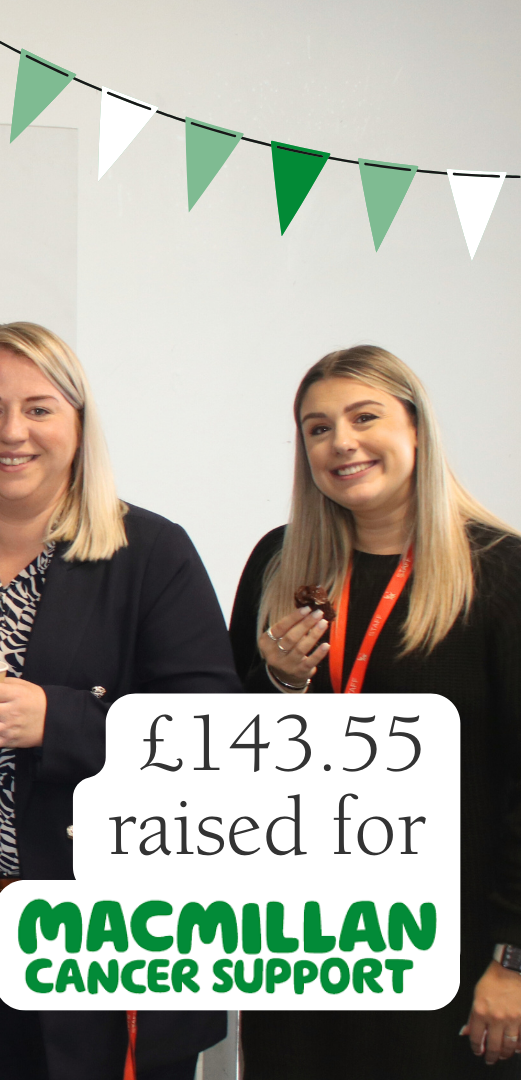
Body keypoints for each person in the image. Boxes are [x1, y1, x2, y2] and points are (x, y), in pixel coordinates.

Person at [0, 323, 231, 1080]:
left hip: (103, 938)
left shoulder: (151, 554)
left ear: (78, 425)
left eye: (39, 408)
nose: (13, 432)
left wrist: (61, 720)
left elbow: (213, 738)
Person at [228, 345, 521, 1078]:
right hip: (301, 950)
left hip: (452, 955)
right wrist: (280, 684)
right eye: (318, 428)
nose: (342, 443)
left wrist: (512, 958)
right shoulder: (278, 565)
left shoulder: (500, 573)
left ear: (416, 429)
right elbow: (222, 762)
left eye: (364, 418)